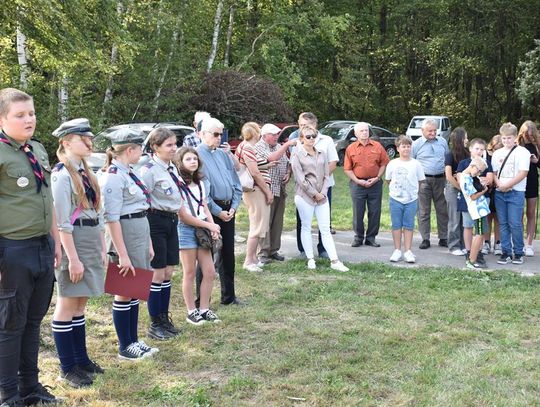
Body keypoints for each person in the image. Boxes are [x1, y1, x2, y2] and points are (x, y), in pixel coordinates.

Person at [0, 88, 62, 406]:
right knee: (10, 325)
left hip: (41, 247)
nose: (29, 120)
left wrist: (56, 241)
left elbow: (46, 199)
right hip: (11, 251)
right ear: (2, 119)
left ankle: (30, 387)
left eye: (32, 113)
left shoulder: (37, 149)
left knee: (33, 322)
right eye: (20, 115)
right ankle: (8, 394)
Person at [50, 119, 106, 389]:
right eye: (82, 138)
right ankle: (67, 366)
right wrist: (72, 258)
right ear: (66, 141)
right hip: (74, 241)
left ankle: (81, 359)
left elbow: (96, 211)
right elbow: (62, 222)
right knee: (67, 303)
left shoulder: (85, 171)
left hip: (90, 238)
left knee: (80, 303)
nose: (89, 142)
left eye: (89, 137)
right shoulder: (62, 174)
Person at [99, 128, 158, 360]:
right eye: (139, 149)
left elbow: (141, 208)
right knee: (124, 291)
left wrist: (148, 242)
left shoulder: (129, 172)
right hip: (124, 233)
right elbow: (111, 218)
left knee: (135, 289)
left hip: (138, 230)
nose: (141, 153)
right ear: (130, 150)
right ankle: (125, 345)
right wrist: (122, 254)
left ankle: (133, 339)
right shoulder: (113, 176)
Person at [139, 128, 183, 340]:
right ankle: (155, 323)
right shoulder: (148, 170)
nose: (174, 148)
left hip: (171, 220)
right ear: (155, 148)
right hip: (155, 220)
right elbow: (141, 200)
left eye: (175, 144)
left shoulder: (170, 166)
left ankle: (164, 319)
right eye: (169, 145)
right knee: (157, 274)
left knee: (168, 271)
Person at [196, 117, 242, 305]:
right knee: (206, 253)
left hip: (228, 208)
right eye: (215, 134)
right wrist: (216, 211)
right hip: (209, 210)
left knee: (228, 254)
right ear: (203, 134)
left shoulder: (223, 154)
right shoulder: (196, 155)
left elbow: (235, 182)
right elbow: (201, 190)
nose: (219, 138)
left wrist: (233, 206)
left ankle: (229, 296)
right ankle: (201, 300)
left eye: (221, 134)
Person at [290, 125, 349, 272]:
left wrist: (322, 192)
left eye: (313, 136)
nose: (311, 139)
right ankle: (310, 258)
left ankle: (334, 260)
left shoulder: (322, 153)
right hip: (304, 196)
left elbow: (326, 175)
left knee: (325, 228)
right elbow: (300, 179)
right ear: (301, 139)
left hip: (322, 196)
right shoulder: (296, 154)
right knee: (306, 226)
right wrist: (314, 193)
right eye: (308, 137)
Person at [174, 147, 221, 324]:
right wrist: (209, 224)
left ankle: (204, 308)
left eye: (195, 158)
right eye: (188, 159)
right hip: (186, 229)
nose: (193, 161)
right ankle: (191, 311)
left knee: (209, 271)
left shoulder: (201, 183)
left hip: (203, 229)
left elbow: (205, 206)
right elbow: (184, 216)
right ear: (180, 162)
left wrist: (212, 228)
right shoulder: (178, 184)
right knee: (190, 272)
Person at [289, 112, 339, 257]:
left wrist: (320, 184)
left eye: (305, 125)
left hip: (324, 187)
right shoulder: (296, 139)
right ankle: (303, 250)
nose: (302, 128)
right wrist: (310, 188)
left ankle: (323, 249)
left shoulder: (326, 140)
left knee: (324, 220)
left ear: (314, 125)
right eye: (300, 125)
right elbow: (295, 165)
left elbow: (333, 162)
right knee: (303, 220)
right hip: (304, 188)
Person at [255, 123, 296, 263]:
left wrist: (288, 173)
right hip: (265, 190)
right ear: (264, 135)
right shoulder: (259, 146)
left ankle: (274, 250)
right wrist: (286, 145)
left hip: (280, 188)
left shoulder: (278, 146)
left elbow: (288, 162)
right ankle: (263, 253)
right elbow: (271, 158)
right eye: (273, 134)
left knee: (277, 222)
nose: (276, 137)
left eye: (277, 134)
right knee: (265, 222)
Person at [343, 122, 389, 247]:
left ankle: (371, 238)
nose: (365, 132)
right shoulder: (351, 148)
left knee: (375, 211)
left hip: (375, 184)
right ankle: (358, 237)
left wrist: (377, 177)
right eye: (362, 131)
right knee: (358, 212)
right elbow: (347, 169)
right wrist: (358, 181)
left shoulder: (377, 146)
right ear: (356, 133)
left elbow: (384, 163)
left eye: (366, 130)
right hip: (357, 184)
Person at [235, 122, 273, 271]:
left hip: (254, 190)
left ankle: (254, 258)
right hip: (256, 190)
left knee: (258, 224)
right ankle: (249, 261)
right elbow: (255, 172)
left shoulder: (242, 146)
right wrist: (268, 191)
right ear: (256, 133)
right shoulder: (248, 147)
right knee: (257, 226)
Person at [492, 122, 530, 265]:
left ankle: (518, 252)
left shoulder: (522, 152)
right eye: (504, 138)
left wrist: (507, 185)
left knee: (515, 223)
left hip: (516, 192)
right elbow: (494, 173)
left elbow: (523, 173)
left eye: (509, 138)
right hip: (500, 192)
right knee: (503, 223)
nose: (506, 141)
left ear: (515, 138)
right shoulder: (497, 153)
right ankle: (505, 251)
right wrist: (499, 184)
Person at [385, 135, 425, 263]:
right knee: (396, 225)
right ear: (398, 148)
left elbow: (420, 181)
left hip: (411, 200)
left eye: (408, 146)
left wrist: (411, 193)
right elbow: (388, 180)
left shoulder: (416, 164)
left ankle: (408, 251)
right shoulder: (392, 163)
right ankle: (397, 250)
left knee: (409, 225)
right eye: (403, 146)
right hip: (395, 199)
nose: (406, 149)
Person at [412, 118, 450, 249]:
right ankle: (425, 238)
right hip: (423, 181)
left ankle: (443, 237)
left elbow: (447, 159)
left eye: (435, 130)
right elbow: (412, 163)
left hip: (440, 179)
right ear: (422, 130)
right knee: (423, 211)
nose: (433, 133)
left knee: (442, 210)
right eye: (430, 131)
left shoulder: (443, 142)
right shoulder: (416, 144)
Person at [456, 138, 493, 265]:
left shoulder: (472, 176)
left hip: (481, 210)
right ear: (472, 166)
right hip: (476, 210)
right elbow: (472, 196)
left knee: (481, 234)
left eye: (481, 171)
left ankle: (475, 256)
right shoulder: (466, 178)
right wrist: (483, 191)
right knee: (478, 233)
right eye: (478, 170)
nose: (479, 173)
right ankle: (471, 259)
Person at [444, 128, 469, 255]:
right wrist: (460, 187)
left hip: (465, 189)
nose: (467, 140)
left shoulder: (468, 154)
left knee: (464, 218)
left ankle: (464, 244)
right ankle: (453, 246)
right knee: (454, 218)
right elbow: (448, 175)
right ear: (460, 139)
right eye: (465, 137)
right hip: (453, 189)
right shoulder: (450, 154)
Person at [516, 121, 539, 256]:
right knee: (518, 213)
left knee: (531, 213)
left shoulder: (537, 145)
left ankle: (529, 244)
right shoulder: (517, 144)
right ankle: (518, 242)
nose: (528, 137)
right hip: (518, 180)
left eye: (531, 135)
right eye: (526, 134)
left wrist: (536, 161)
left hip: (532, 181)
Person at [486, 135, 503, 255]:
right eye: (495, 148)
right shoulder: (485, 156)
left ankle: (498, 242)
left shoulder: (505, 155)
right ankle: (486, 242)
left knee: (497, 217)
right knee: (487, 217)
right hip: (487, 189)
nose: (496, 151)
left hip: (499, 188)